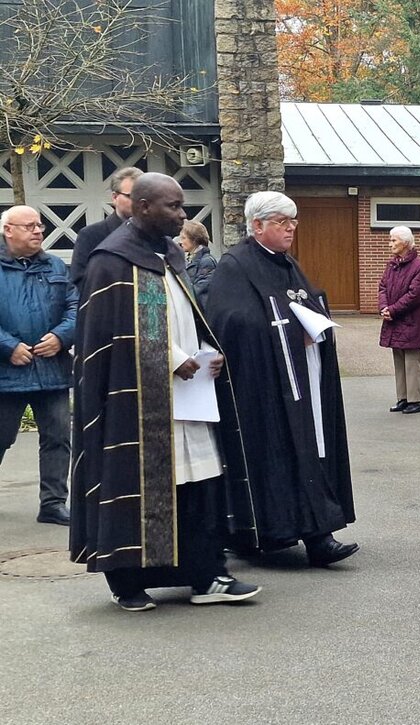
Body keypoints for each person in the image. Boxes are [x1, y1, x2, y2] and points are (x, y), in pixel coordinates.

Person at [69, 173, 261, 611]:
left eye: (182, 205)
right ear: (141, 207)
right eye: (172, 206)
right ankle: (127, 581)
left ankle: (206, 575)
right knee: (133, 482)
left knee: (198, 483)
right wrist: (172, 357)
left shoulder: (172, 252)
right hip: (133, 402)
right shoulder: (111, 260)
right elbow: (114, 330)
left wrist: (208, 350)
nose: (182, 215)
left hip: (187, 397)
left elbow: (183, 315)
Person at [205, 191, 358, 567]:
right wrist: (290, 330)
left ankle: (316, 535)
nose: (291, 228)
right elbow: (230, 322)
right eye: (281, 221)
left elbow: (305, 299)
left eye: (293, 220)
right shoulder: (234, 265)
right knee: (274, 458)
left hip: (297, 381)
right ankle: (268, 535)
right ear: (257, 226)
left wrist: (314, 319)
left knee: (308, 454)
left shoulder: (287, 263)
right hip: (263, 391)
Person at [0, 205, 77, 526]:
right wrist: (8, 347)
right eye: (30, 226)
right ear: (8, 231)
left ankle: (53, 503)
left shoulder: (55, 265)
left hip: (52, 370)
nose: (38, 231)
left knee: (58, 438)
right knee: (2, 437)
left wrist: (61, 337)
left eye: (40, 226)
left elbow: (76, 306)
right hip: (8, 374)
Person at [379, 225, 420, 415]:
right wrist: (384, 307)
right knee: (398, 359)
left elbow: (414, 295)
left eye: (394, 240)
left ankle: (415, 400)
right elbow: (382, 286)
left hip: (410, 319)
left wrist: (392, 310)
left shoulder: (419, 266)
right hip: (394, 318)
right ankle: (403, 398)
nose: (390, 243)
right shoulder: (391, 264)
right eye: (390, 239)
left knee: (411, 360)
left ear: (406, 243)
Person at [69, 166, 143, 292]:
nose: (137, 202)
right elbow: (79, 282)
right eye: (130, 196)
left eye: (141, 197)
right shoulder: (91, 235)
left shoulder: (156, 237)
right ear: (114, 197)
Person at [179, 220, 216, 306]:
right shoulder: (188, 260)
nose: (180, 242)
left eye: (184, 238)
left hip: (201, 315)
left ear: (194, 239)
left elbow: (199, 292)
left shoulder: (207, 261)